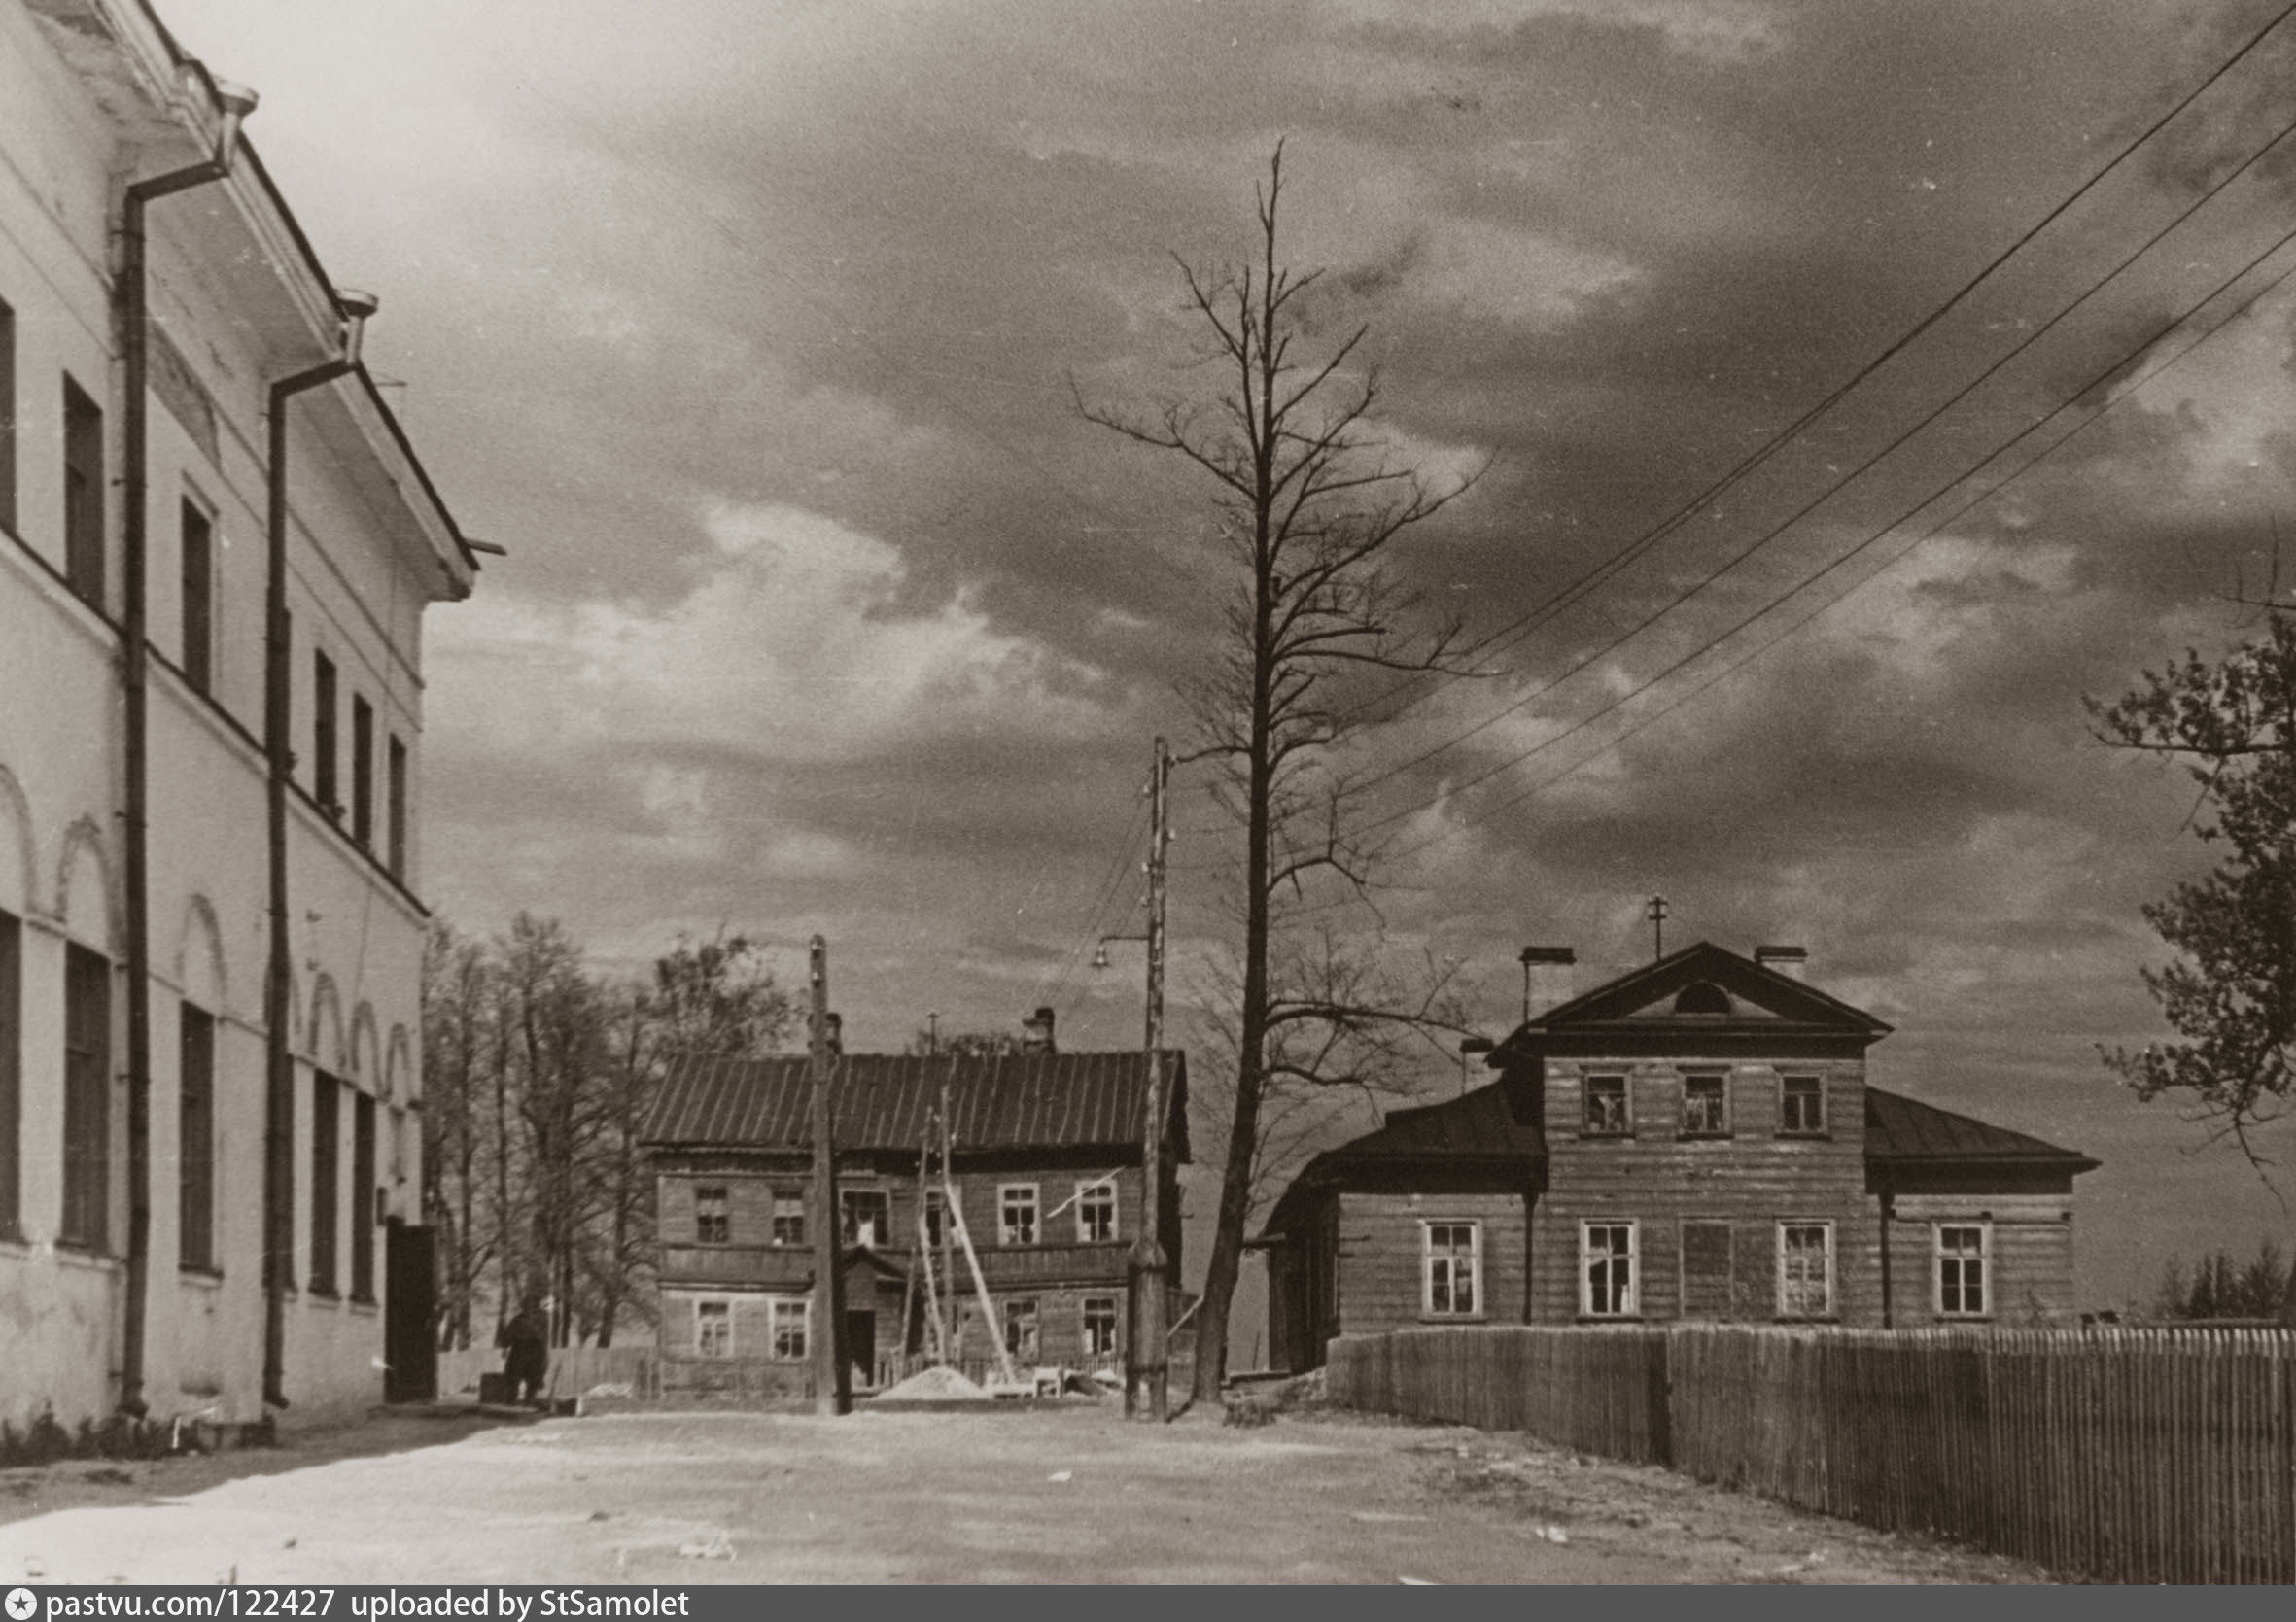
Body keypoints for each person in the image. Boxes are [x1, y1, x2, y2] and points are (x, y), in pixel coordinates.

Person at [498, 1304, 548, 1407]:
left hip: (535, 1352)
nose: (529, 1309)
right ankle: (511, 1402)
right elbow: (509, 1334)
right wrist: (505, 1347)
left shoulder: (541, 1319)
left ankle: (528, 1402)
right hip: (520, 1350)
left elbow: (544, 1338)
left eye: (532, 1306)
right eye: (527, 1306)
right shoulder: (517, 1320)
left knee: (533, 1379)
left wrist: (544, 1355)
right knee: (514, 1377)